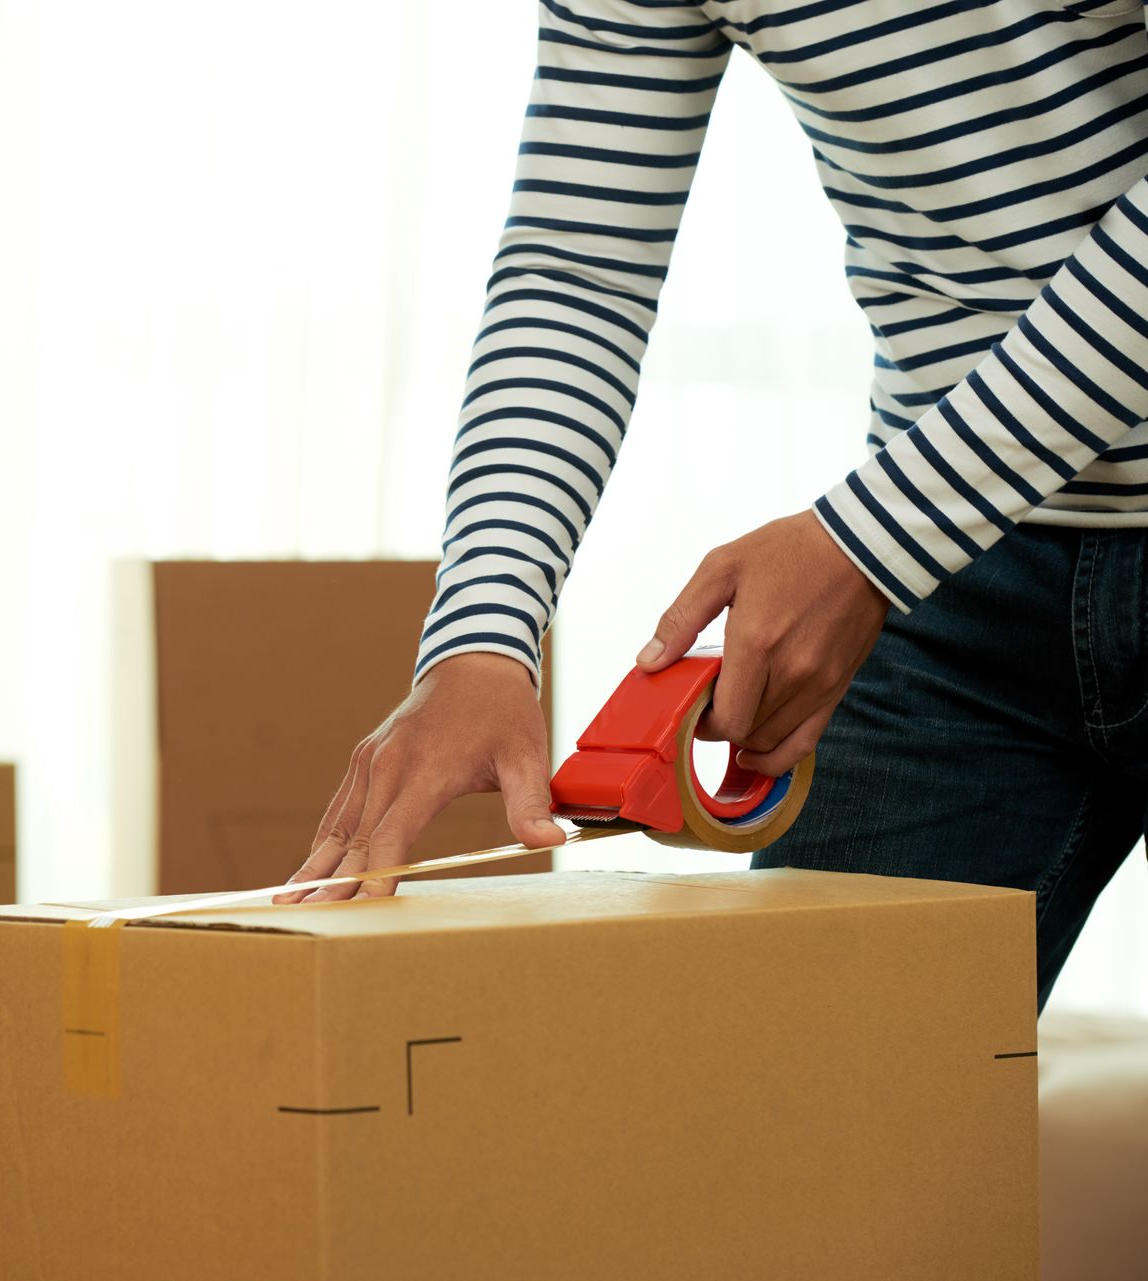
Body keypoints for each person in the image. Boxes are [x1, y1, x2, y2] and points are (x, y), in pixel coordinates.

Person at [279, 0, 1148, 1009]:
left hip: (910, 534)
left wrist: (868, 544)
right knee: (796, 1126)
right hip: (954, 578)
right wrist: (478, 640)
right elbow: (577, 270)